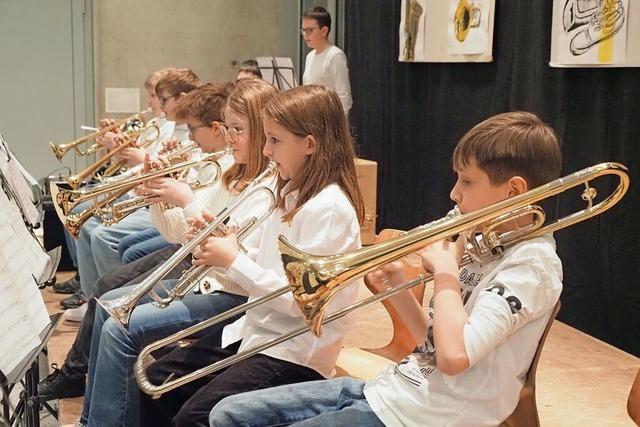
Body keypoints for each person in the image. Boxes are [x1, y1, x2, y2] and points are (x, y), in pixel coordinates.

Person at [208, 111, 565, 427]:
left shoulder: (531, 266)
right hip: (393, 390)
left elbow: (455, 358)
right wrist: (399, 292)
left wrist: (445, 277)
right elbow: (431, 346)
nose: (454, 194)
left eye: (467, 182)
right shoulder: (481, 242)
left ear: (513, 190)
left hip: (433, 415)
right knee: (226, 414)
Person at [138, 85, 366, 427]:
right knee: (157, 381)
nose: (266, 151)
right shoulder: (288, 190)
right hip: (256, 331)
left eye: (275, 141)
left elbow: (300, 303)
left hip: (292, 351)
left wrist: (232, 259)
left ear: (309, 144)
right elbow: (262, 259)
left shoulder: (329, 209)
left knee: (195, 418)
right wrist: (224, 243)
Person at [79, 78, 279, 427]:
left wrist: (186, 201)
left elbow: (232, 258)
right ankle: (90, 419)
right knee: (108, 306)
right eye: (227, 128)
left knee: (118, 329)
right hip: (205, 283)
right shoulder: (230, 176)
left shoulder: (268, 189)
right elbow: (178, 233)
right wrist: (160, 196)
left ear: (263, 132)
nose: (229, 137)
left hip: (233, 297)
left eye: (237, 129)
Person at [301, 6, 352, 115]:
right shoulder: (309, 56)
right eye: (303, 30)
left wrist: (338, 128)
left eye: (309, 30)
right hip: (311, 118)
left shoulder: (335, 55)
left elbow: (343, 97)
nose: (305, 35)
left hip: (329, 120)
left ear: (324, 31)